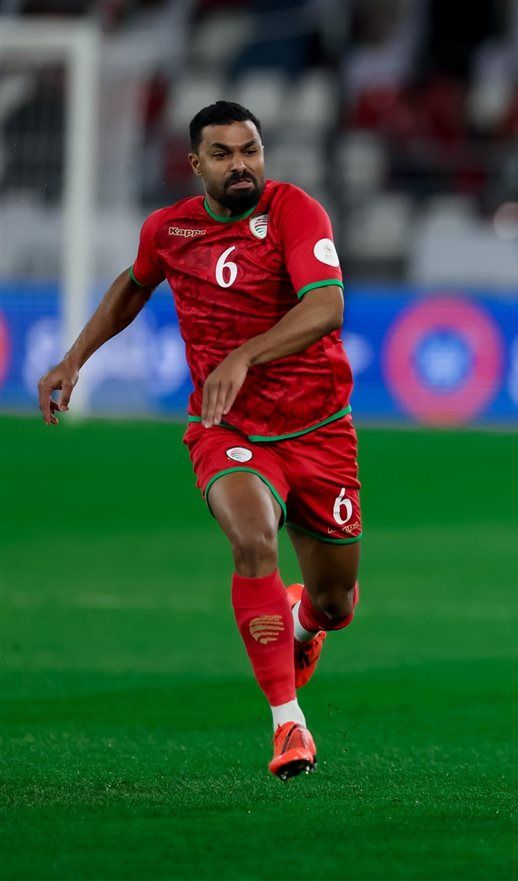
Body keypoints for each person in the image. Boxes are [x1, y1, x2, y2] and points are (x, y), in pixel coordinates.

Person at [37, 101, 362, 781]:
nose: (241, 165)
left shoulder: (295, 211)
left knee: (336, 603)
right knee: (252, 538)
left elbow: (326, 305)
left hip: (319, 429)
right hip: (229, 428)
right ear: (195, 164)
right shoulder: (170, 229)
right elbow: (134, 285)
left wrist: (244, 354)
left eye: (250, 150)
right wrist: (74, 358)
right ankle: (289, 724)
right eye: (223, 154)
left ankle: (304, 622)